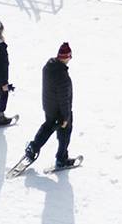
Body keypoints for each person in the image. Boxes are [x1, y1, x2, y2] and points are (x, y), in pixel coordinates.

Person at [21, 42, 76, 170]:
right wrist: (66, 118)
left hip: (49, 106)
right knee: (65, 134)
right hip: (60, 111)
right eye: (70, 56)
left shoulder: (48, 67)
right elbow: (64, 100)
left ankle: (33, 147)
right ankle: (61, 159)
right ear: (66, 57)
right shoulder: (63, 77)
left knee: (47, 127)